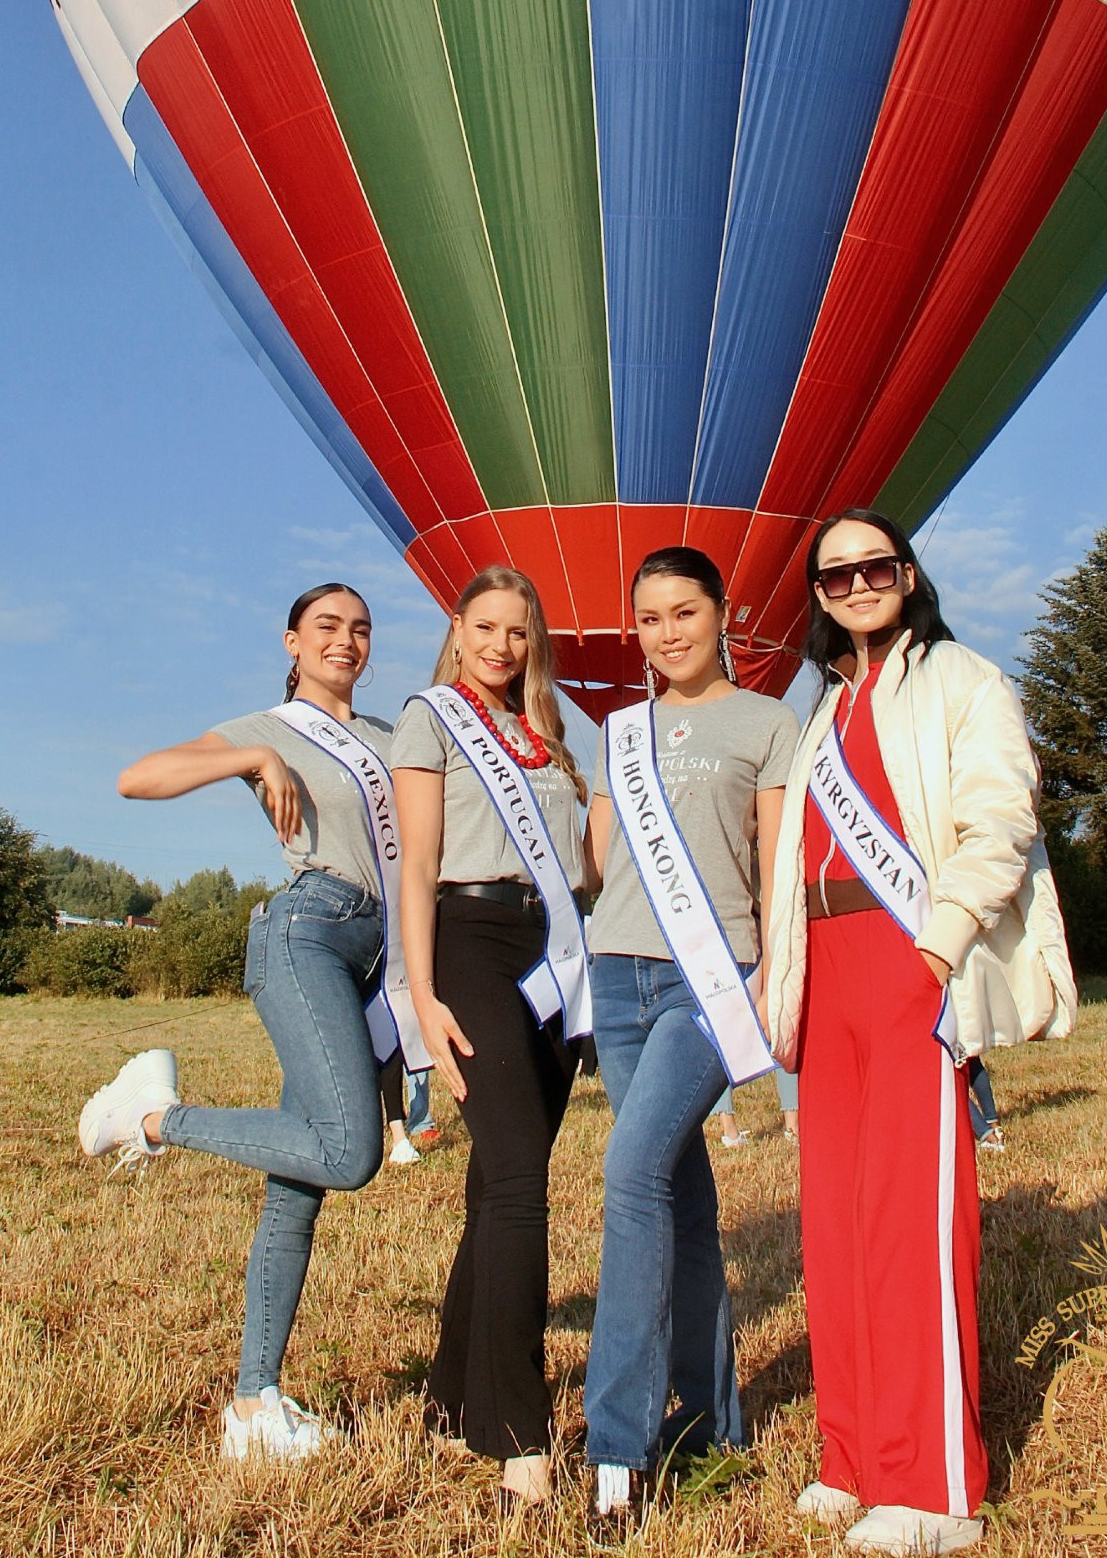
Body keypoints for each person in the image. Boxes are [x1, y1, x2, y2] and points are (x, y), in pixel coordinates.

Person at [764, 511, 1077, 1556]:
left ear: (908, 573)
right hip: (828, 973)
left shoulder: (962, 680)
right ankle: (852, 1453)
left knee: (910, 1218)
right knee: (837, 1227)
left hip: (907, 962)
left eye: (875, 565)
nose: (857, 582)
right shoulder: (828, 706)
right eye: (836, 572)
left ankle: (935, 1483)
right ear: (817, 594)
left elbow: (1003, 820)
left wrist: (936, 951)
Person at [79, 582, 410, 1459]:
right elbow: (136, 777)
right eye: (327, 628)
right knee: (348, 1152)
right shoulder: (269, 728)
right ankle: (145, 1117)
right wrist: (250, 764)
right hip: (308, 935)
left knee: (299, 1179)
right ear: (293, 641)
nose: (346, 642)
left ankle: (254, 1403)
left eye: (361, 630)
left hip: (378, 955)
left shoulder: (389, 740)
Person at [583, 547, 800, 1530]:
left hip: (710, 979)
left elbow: (778, 864)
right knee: (680, 1198)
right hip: (615, 975)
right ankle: (715, 1422)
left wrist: (772, 981)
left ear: (725, 612)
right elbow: (591, 861)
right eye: (651, 618)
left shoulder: (768, 722)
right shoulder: (618, 731)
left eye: (685, 611)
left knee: (629, 1179)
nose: (668, 632)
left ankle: (617, 1451)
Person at [393, 566, 592, 1512]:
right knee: (518, 1178)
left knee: (494, 1186)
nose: (501, 647)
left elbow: (590, 866)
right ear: (457, 629)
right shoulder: (429, 716)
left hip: (554, 954)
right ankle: (518, 1430)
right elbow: (420, 862)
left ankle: (448, 1397)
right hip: (469, 939)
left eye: (518, 632)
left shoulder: (552, 736)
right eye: (485, 627)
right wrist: (422, 996)